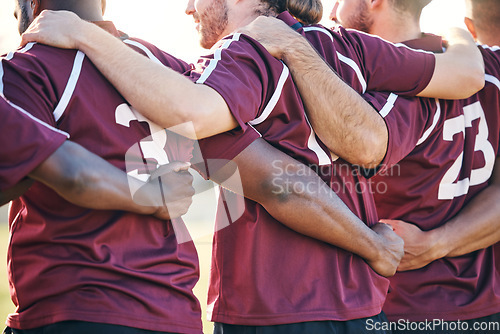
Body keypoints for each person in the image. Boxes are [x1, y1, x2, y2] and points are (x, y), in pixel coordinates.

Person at [19, 0, 488, 333]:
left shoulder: (237, 57)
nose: (187, 9)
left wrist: (88, 35)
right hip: (363, 301)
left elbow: (205, 123)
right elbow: (467, 75)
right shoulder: (349, 46)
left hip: (272, 302)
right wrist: (462, 35)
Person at [240, 0, 500, 332]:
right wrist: (458, 34)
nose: (332, 11)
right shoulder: (486, 65)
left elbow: (365, 145)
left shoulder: (388, 84)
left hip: (409, 305)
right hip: (487, 303)